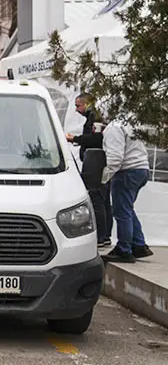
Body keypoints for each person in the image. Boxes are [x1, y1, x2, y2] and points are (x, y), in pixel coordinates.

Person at [101, 119, 153, 264]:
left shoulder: (113, 128)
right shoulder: (129, 123)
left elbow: (115, 158)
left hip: (127, 171)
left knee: (121, 212)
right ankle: (138, 244)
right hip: (141, 169)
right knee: (127, 209)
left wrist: (104, 177)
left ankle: (124, 250)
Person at [66, 93, 113, 249]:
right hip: (96, 159)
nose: (77, 109)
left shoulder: (95, 117)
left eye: (78, 105)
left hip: (95, 161)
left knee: (97, 198)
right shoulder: (93, 117)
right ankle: (105, 236)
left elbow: (96, 139)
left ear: (87, 103)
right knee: (104, 200)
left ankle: (101, 237)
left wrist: (76, 139)